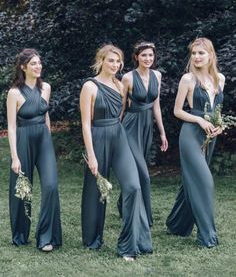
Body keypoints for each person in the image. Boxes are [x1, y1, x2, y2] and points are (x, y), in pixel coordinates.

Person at [80, 44, 153, 261]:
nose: (115, 65)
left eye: (118, 61)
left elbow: (120, 114)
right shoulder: (89, 87)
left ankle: (129, 244)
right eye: (110, 60)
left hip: (119, 137)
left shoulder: (121, 86)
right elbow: (85, 124)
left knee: (133, 186)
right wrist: (91, 155)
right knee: (95, 191)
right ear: (101, 61)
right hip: (98, 136)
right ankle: (92, 238)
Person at [166, 37, 225, 247]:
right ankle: (207, 236)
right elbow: (177, 111)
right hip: (191, 134)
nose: (197, 57)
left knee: (190, 182)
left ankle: (176, 224)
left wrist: (220, 126)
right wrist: (199, 119)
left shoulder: (220, 78)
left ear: (210, 55)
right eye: (194, 53)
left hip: (210, 137)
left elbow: (218, 111)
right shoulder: (187, 79)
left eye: (201, 53)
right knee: (204, 181)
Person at [7, 48, 62, 252]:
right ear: (23, 67)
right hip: (23, 139)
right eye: (33, 64)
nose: (38, 66)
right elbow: (11, 126)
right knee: (23, 188)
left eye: (39, 63)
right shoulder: (14, 93)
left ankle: (46, 236)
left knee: (51, 186)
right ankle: (20, 234)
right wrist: (14, 156)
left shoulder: (46, 87)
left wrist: (48, 138)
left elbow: (45, 114)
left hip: (43, 139)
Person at [117, 41, 168, 227]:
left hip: (147, 127)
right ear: (136, 57)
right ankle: (144, 216)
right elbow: (121, 108)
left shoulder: (157, 75)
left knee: (138, 170)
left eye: (151, 55)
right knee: (144, 175)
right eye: (144, 55)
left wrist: (162, 133)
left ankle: (123, 206)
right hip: (130, 126)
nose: (148, 58)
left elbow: (156, 106)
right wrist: (116, 129)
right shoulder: (128, 78)